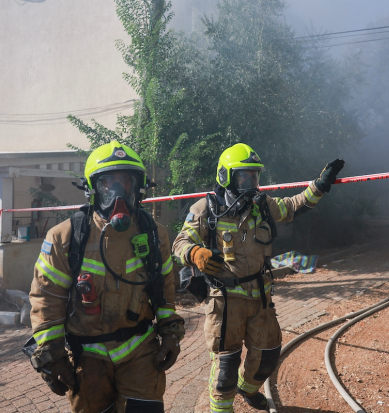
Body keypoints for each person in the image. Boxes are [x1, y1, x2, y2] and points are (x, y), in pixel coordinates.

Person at [173, 143, 344, 412]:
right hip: (225, 301)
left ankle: (248, 388)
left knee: (267, 356)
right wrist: (196, 253)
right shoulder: (205, 209)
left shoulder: (261, 206)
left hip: (260, 297)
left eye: (254, 176)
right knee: (225, 368)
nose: (251, 183)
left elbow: (294, 206)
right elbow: (180, 242)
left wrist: (320, 185)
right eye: (244, 177)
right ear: (226, 177)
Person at [28, 141, 184, 413]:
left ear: (139, 188)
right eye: (107, 184)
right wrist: (52, 352)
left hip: (140, 351)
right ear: (92, 189)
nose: (118, 193)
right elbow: (46, 297)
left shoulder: (154, 233)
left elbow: (165, 286)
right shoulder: (65, 238)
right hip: (88, 358)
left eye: (126, 182)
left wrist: (170, 330)